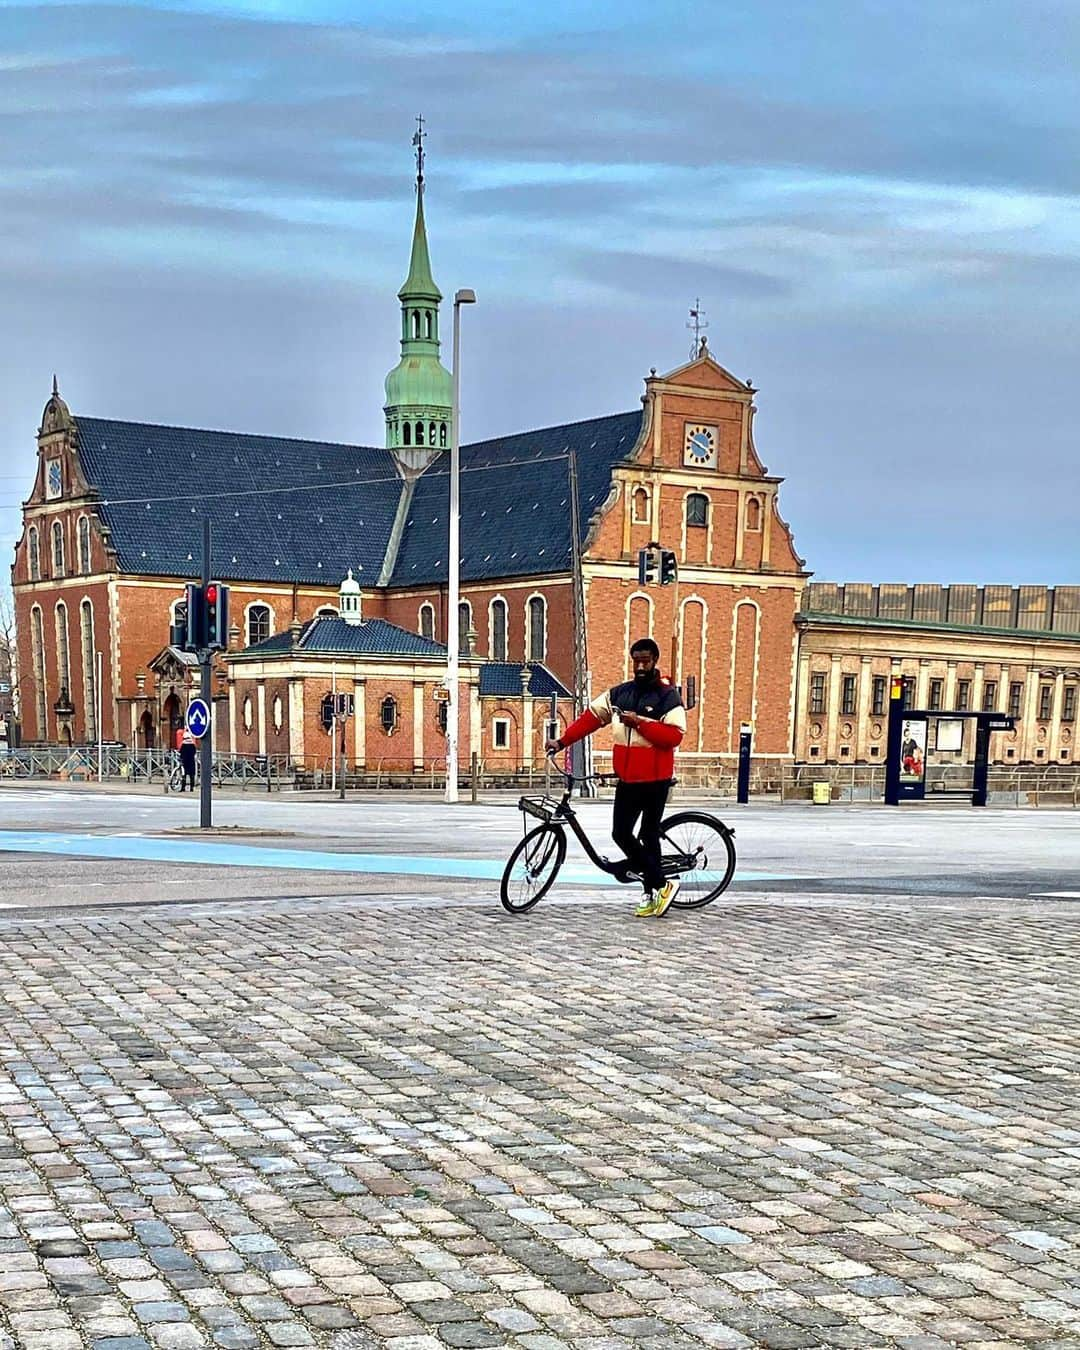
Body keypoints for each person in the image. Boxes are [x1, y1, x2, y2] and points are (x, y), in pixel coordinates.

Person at [546, 638, 686, 917]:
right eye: (637, 661)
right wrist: (562, 742)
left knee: (647, 834)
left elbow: (674, 736)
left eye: (646, 661)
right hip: (628, 779)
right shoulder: (621, 693)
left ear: (655, 660)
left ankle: (657, 888)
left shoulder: (667, 696)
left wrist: (641, 724)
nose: (641, 666)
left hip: (656, 780)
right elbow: (591, 718)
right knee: (620, 833)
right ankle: (655, 884)